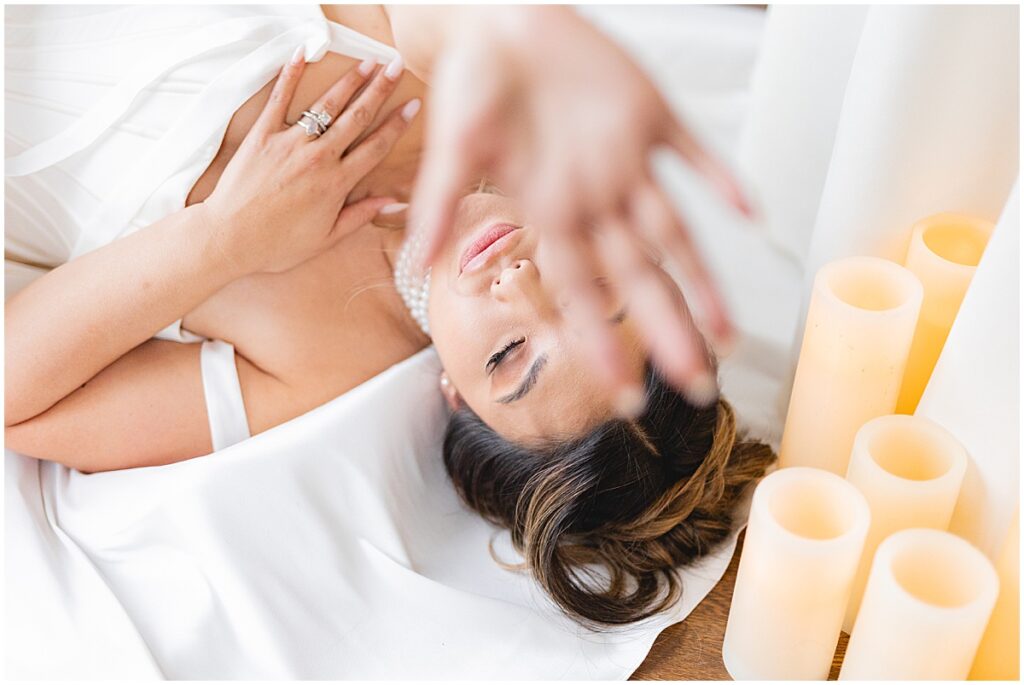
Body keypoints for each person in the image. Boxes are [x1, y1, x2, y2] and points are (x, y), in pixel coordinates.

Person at [4, 5, 774, 627]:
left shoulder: (320, 365)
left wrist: (221, 239)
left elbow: (15, 399)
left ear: (455, 395)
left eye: (508, 354)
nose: (520, 282)